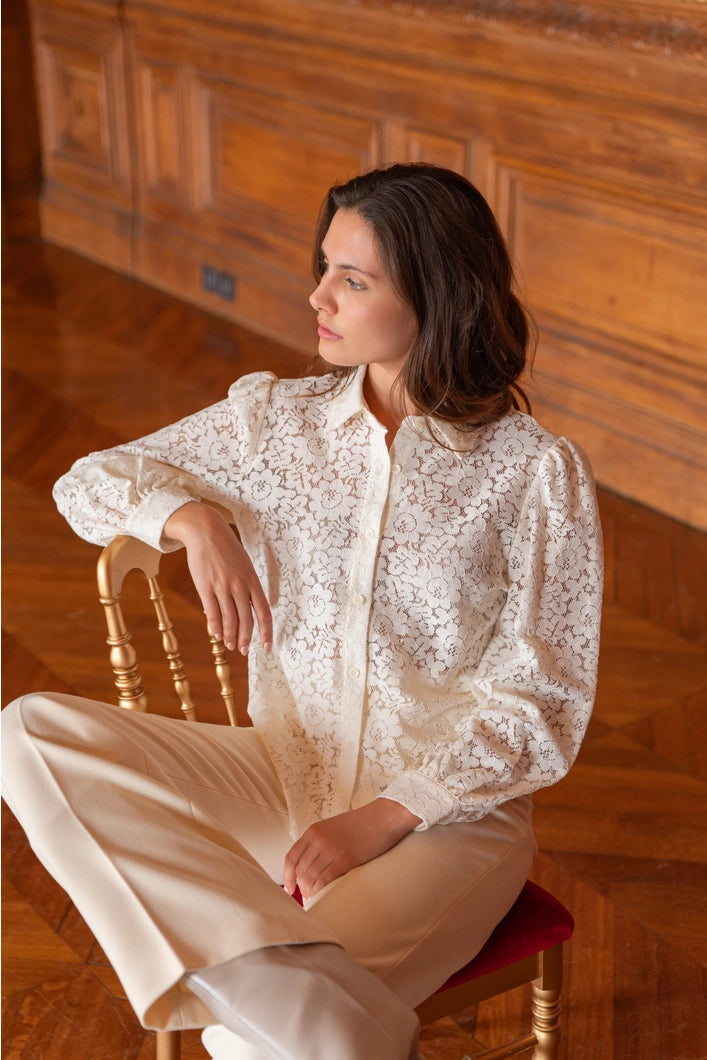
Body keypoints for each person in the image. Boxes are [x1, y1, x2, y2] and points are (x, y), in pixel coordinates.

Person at [1, 163, 603, 1060]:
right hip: (284, 775)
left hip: (449, 820)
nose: (316, 296)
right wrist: (192, 520)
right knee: (29, 731)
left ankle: (237, 982)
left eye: (351, 280)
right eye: (324, 266)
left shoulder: (532, 473)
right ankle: (276, 988)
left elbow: (540, 702)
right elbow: (86, 481)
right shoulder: (272, 425)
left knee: (250, 1038)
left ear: (436, 294)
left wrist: (380, 818)